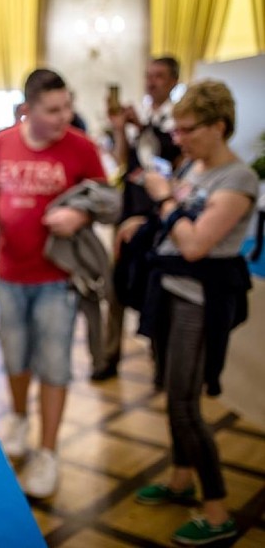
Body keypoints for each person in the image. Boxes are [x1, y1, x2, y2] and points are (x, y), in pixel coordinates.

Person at [127, 80, 258, 546]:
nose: (177, 138)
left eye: (187, 130)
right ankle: (182, 479)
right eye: (176, 130)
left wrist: (162, 198)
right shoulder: (196, 166)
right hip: (170, 292)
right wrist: (145, 221)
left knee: (186, 404)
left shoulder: (239, 179)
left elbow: (198, 244)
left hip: (199, 302)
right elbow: (177, 221)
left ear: (218, 126)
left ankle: (218, 510)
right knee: (171, 392)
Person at [0, 69, 107, 498]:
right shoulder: (3, 142)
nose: (64, 116)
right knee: (15, 355)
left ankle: (48, 452)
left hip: (57, 278)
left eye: (67, 105)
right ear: (28, 108)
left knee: (53, 364)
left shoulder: (81, 148)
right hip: (8, 272)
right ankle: (17, 417)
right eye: (53, 109)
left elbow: (106, 199)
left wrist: (79, 216)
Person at [93, 56, 184, 381]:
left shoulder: (179, 119)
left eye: (159, 76)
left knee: (156, 285)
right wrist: (121, 130)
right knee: (116, 284)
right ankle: (109, 356)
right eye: (148, 75)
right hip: (130, 211)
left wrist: (141, 127)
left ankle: (161, 359)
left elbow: (170, 162)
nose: (151, 82)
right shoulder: (141, 115)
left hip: (160, 217)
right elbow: (123, 162)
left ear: (173, 80)